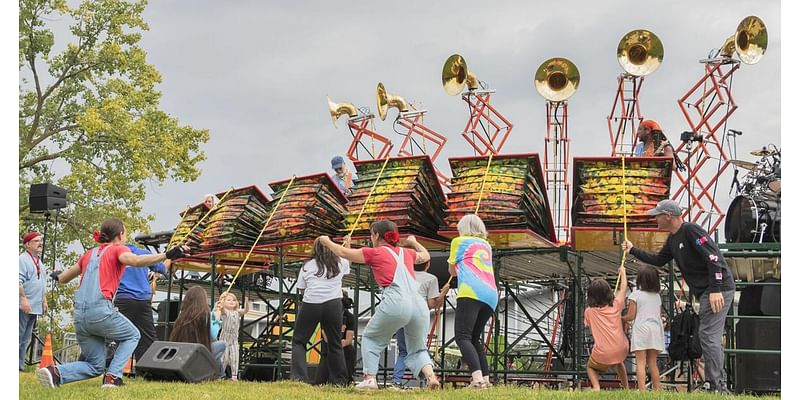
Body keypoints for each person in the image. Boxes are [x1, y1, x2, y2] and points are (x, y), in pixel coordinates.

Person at [37, 218, 188, 388]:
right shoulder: (118, 249)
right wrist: (166, 255)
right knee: (133, 335)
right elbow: (136, 261)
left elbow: (64, 278)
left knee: (95, 366)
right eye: (124, 233)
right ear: (120, 234)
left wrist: (57, 275)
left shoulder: (89, 254)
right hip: (100, 311)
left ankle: (55, 373)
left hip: (80, 317)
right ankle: (113, 377)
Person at [623, 199, 735, 394]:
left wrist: (716, 289)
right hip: (709, 290)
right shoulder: (674, 239)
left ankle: (716, 385)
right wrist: (632, 249)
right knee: (708, 335)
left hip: (718, 288)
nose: (654, 219)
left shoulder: (691, 231)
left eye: (657, 215)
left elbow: (714, 258)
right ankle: (715, 384)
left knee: (708, 335)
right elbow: (658, 260)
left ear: (668, 216)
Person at [319, 220, 441, 390]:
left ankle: (370, 379)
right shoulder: (407, 253)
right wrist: (413, 242)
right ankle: (431, 377)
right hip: (419, 304)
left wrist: (325, 241)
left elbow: (342, 252)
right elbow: (426, 256)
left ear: (376, 235)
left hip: (396, 300)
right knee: (418, 348)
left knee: (371, 337)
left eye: (371, 234)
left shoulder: (374, 253)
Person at [291, 237, 349, 385]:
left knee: (299, 341)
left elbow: (302, 288)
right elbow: (347, 258)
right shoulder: (339, 263)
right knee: (335, 342)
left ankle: (299, 378)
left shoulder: (307, 266)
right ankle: (339, 381)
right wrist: (347, 245)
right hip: (333, 304)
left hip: (311, 303)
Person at [448, 214, 497, 389]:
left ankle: (476, 380)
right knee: (475, 339)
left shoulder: (458, 242)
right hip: (491, 294)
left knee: (462, 337)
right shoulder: (486, 245)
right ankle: (485, 379)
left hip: (471, 291)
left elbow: (452, 271)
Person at [392, 259, 450, 388]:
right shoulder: (431, 279)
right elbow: (431, 304)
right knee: (420, 350)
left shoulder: (404, 276)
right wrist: (443, 293)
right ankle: (426, 380)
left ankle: (396, 380)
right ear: (428, 264)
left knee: (403, 351)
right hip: (419, 315)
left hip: (402, 313)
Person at [113, 244, 168, 363]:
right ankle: (147, 367)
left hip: (123, 299)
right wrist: (169, 258)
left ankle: (111, 368)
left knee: (119, 336)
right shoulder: (143, 253)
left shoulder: (113, 254)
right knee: (148, 337)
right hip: (143, 300)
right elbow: (163, 268)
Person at [584, 265, 630, 391]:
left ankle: (596, 387)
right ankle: (626, 388)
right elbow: (623, 288)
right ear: (609, 293)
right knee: (618, 362)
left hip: (602, 352)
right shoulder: (616, 305)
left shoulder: (589, 312)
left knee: (590, 367)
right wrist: (623, 272)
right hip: (621, 349)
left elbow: (589, 326)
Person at [170, 286, 227, 380]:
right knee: (221, 344)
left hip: (182, 355)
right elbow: (213, 335)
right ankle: (219, 375)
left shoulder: (182, 315)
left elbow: (206, 326)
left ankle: (221, 375)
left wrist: (214, 312)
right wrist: (217, 319)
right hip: (197, 355)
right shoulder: (203, 314)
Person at [622, 266, 664, 391]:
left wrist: (621, 318)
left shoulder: (635, 295)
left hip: (641, 329)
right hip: (655, 329)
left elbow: (630, 316)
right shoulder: (657, 296)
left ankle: (642, 392)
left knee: (640, 363)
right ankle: (657, 390)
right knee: (653, 363)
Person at [314, 290, 357, 385]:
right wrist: (335, 344)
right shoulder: (326, 314)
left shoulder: (349, 317)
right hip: (328, 349)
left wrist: (342, 343)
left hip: (343, 349)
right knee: (319, 381)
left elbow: (349, 339)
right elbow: (324, 334)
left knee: (350, 350)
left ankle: (347, 379)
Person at [20, 231, 46, 372]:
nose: (40, 243)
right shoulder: (22, 260)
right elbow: (18, 281)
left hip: (35, 306)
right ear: (27, 244)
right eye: (36, 241)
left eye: (40, 240)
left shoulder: (38, 261)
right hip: (23, 306)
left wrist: (44, 300)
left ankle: (19, 366)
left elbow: (41, 282)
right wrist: (23, 299)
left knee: (26, 338)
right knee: (18, 335)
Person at [215, 292, 250, 381]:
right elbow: (222, 310)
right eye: (229, 300)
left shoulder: (237, 312)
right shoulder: (225, 312)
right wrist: (221, 304)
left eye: (234, 300)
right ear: (224, 302)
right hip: (224, 339)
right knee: (224, 358)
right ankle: (220, 375)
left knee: (235, 357)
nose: (232, 302)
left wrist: (246, 303)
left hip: (234, 339)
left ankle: (234, 376)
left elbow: (245, 310)